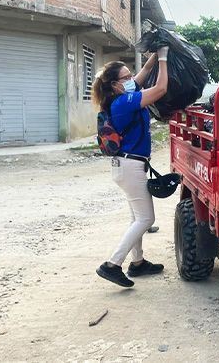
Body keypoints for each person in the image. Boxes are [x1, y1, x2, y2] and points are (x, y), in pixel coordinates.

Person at [91, 47, 169, 288]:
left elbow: (144, 73)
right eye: (126, 77)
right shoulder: (124, 101)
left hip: (126, 166)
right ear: (115, 85)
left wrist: (156, 55)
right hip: (130, 166)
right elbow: (161, 89)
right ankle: (112, 265)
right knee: (146, 218)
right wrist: (164, 60)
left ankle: (138, 263)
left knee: (136, 216)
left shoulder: (120, 95)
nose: (132, 79)